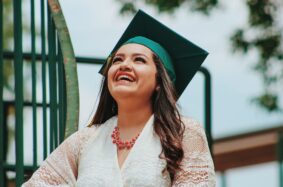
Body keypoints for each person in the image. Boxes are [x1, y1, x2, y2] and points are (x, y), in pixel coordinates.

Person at [23, 10, 215, 186]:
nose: (124, 65)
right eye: (117, 60)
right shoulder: (84, 141)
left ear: (159, 81)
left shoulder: (183, 133)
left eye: (139, 59)